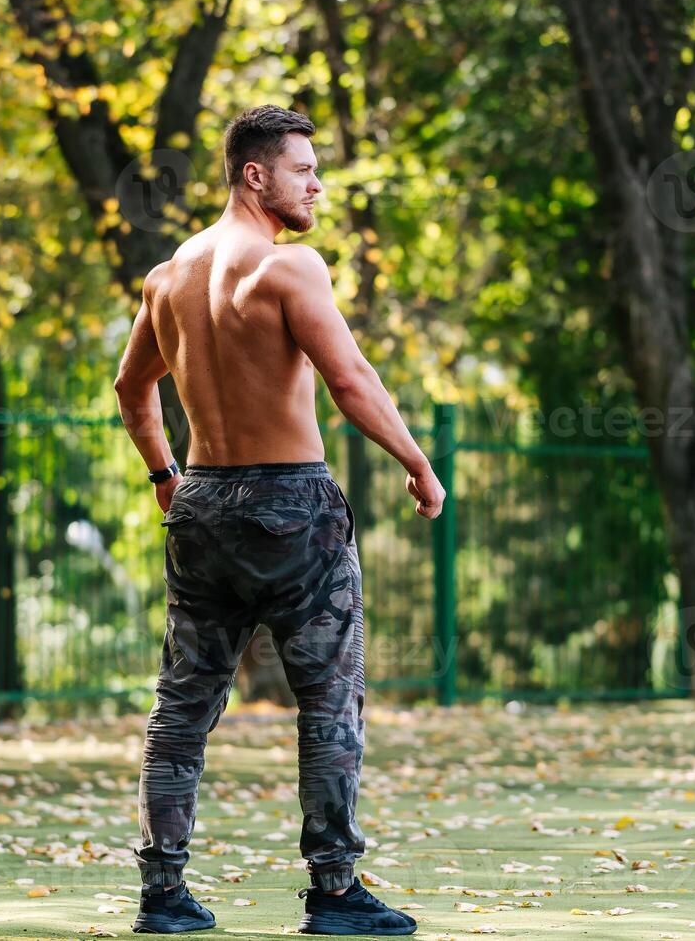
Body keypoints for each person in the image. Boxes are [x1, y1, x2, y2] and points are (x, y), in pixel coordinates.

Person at [112, 104, 445, 935]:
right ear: (254, 174)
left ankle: (163, 896)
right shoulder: (291, 270)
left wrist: (165, 475)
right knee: (329, 703)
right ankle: (334, 892)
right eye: (303, 169)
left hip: (204, 506)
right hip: (292, 508)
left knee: (183, 706)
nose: (318, 185)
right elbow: (353, 380)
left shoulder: (169, 276)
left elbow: (131, 388)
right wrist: (418, 463)